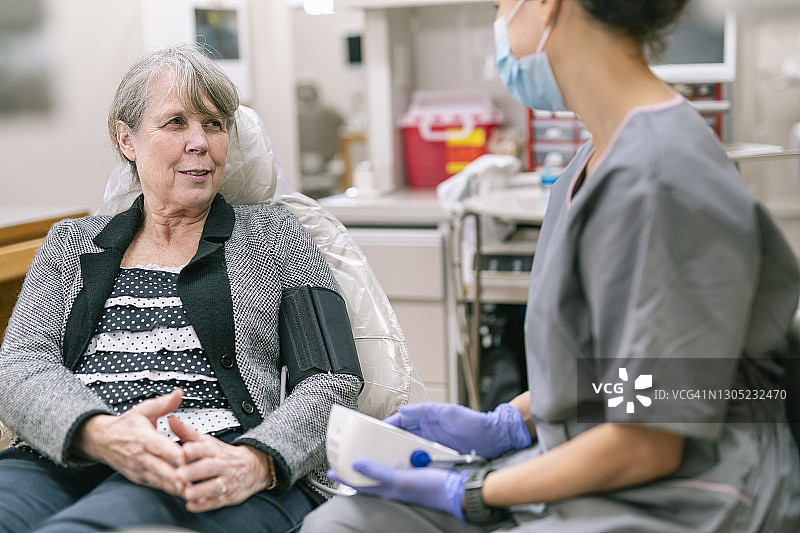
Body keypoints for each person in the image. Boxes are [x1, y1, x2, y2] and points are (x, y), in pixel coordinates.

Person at [301, 0, 800, 532]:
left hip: (688, 494)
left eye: (499, 4)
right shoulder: (597, 158)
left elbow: (650, 441)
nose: (498, 20)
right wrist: (511, 421)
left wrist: (473, 490)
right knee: (351, 517)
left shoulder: (663, 180)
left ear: (544, 5)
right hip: (600, 457)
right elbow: (631, 372)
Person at [0, 43, 363, 532]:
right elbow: (20, 366)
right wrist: (99, 433)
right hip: (68, 456)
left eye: (213, 124)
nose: (200, 142)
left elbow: (332, 378)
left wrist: (259, 460)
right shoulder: (73, 244)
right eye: (176, 123)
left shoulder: (273, 237)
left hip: (210, 460)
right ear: (126, 139)